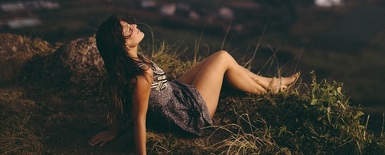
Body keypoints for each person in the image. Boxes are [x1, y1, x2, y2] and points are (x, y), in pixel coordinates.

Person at [88, 14, 299, 154]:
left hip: (175, 93)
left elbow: (118, 99)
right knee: (223, 57)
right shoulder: (141, 75)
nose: (134, 26)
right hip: (190, 114)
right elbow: (138, 120)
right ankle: (269, 87)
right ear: (122, 43)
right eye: (128, 29)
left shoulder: (129, 65)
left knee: (217, 60)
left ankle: (269, 84)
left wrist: (113, 130)